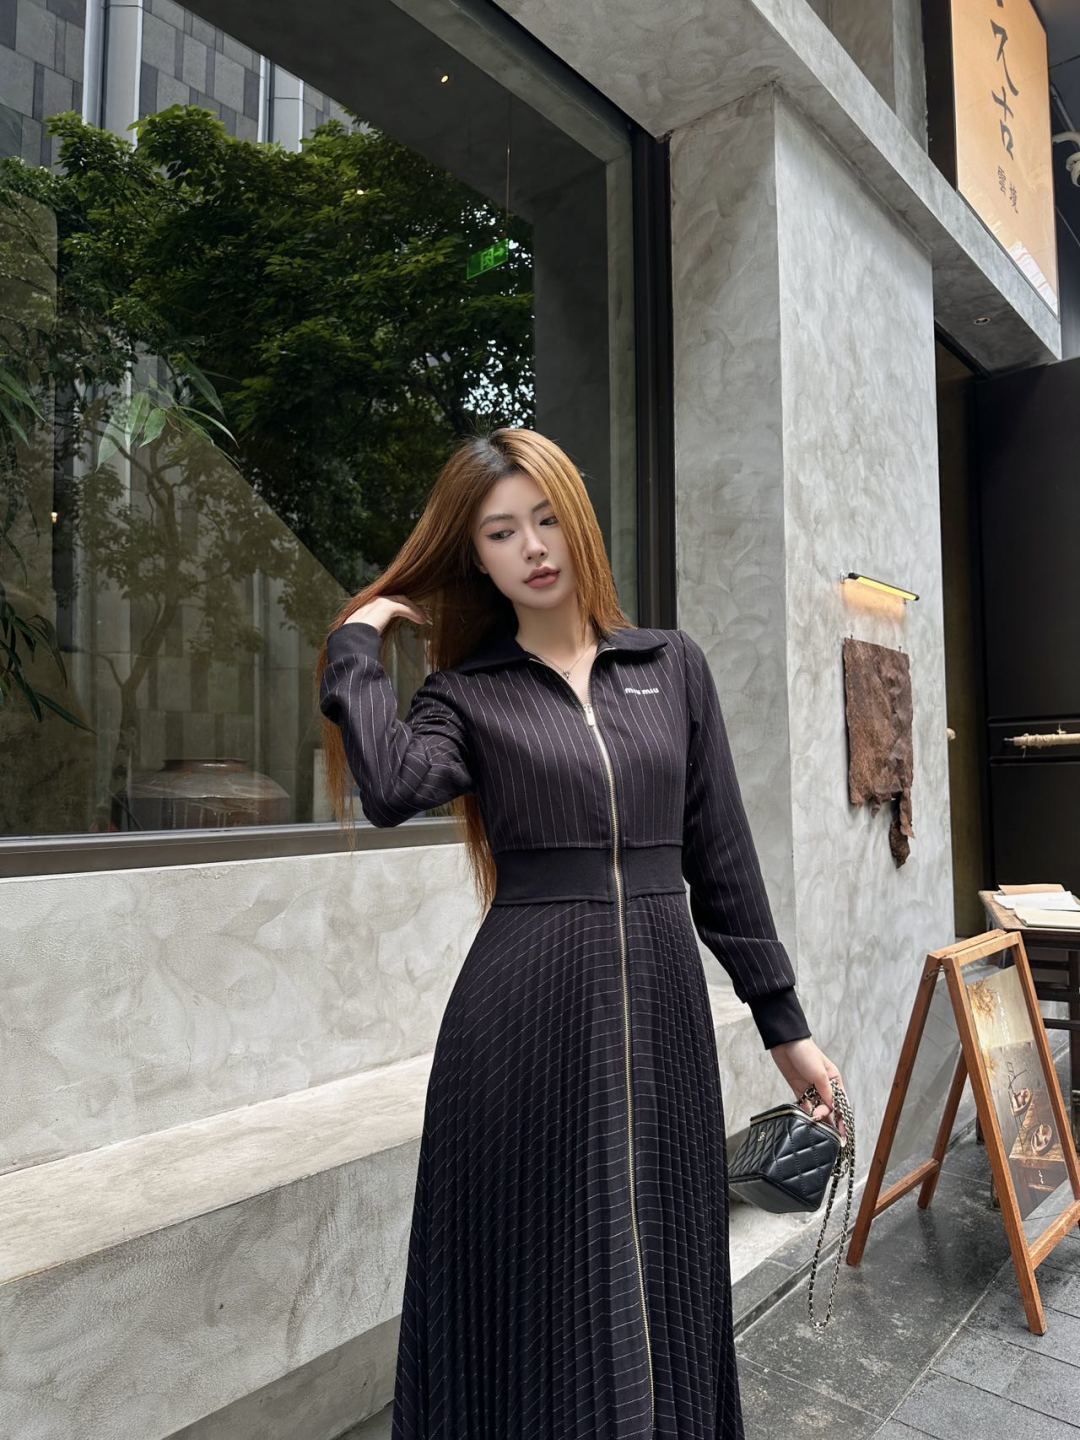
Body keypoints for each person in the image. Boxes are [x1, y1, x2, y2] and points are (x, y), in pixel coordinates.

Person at [316, 427, 845, 1439]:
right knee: (539, 1272)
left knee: (665, 1257)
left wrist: (788, 1030)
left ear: (580, 523)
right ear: (477, 558)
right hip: (520, 1023)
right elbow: (390, 787)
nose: (532, 547)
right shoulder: (467, 695)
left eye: (547, 518)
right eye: (501, 532)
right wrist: (356, 642)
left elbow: (723, 864)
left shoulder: (671, 667)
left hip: (663, 1014)